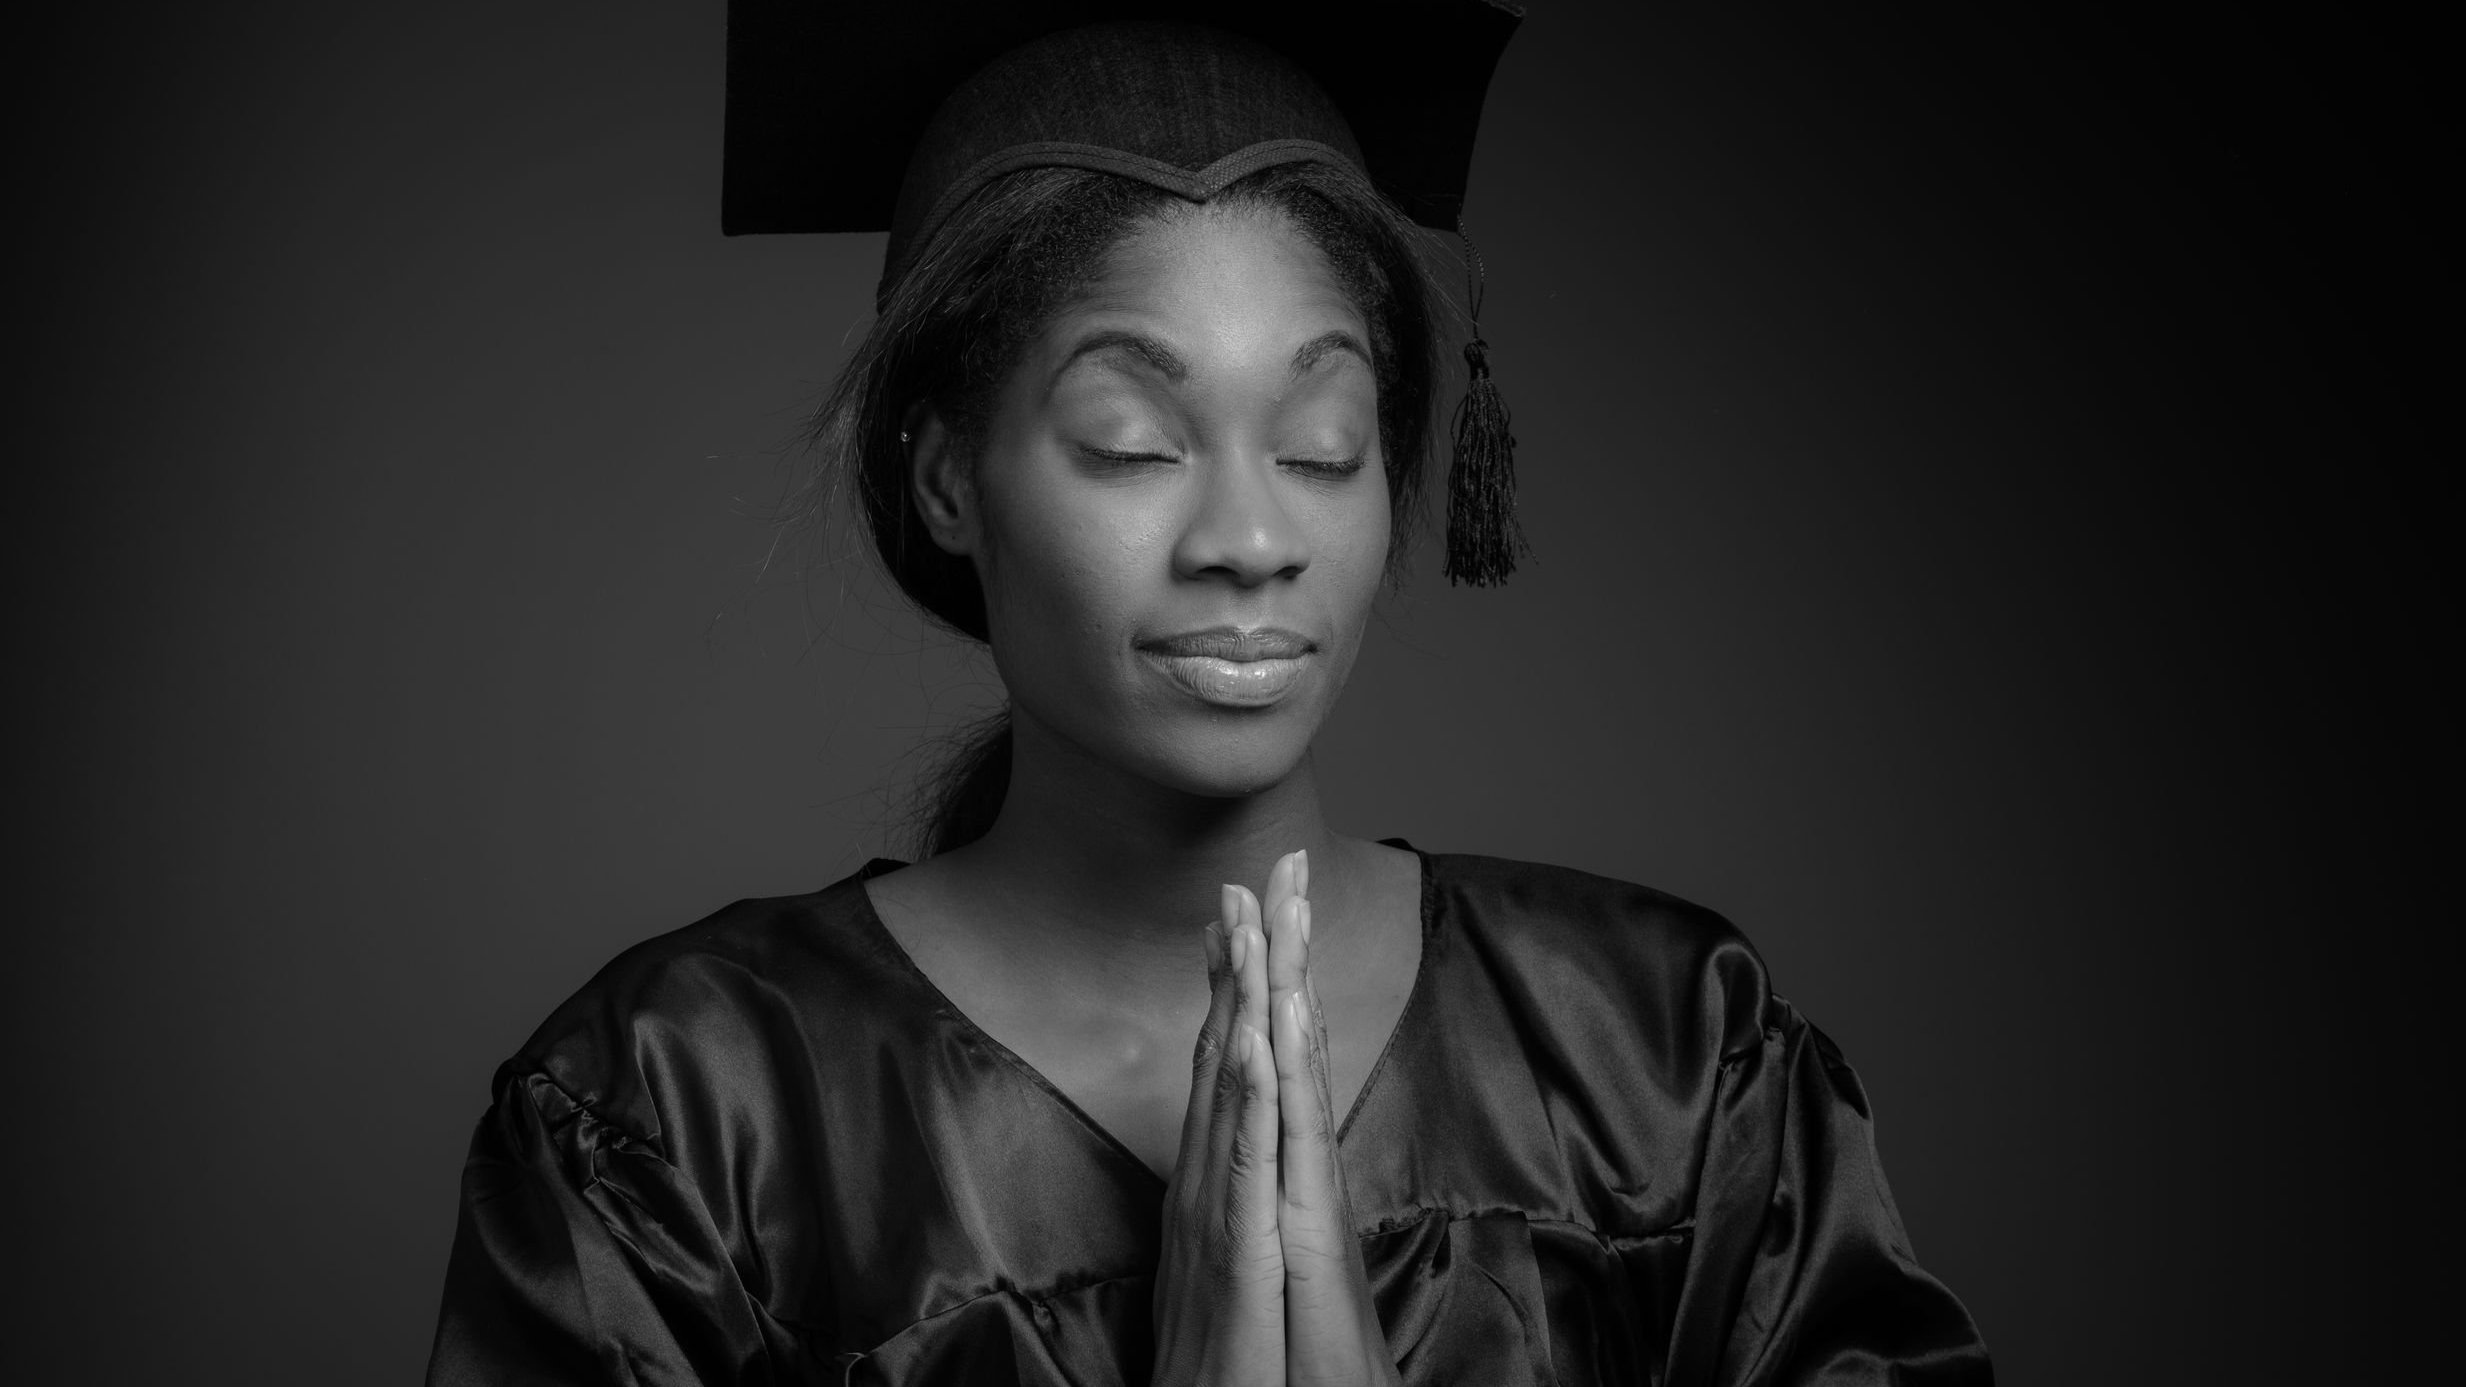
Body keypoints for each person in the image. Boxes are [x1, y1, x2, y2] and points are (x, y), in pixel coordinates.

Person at [426, 4, 1992, 1382]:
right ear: (947, 480)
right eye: (1129, 442)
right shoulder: (686, 1111)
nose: (1252, 540)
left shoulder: (1657, 1053)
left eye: (1321, 448)